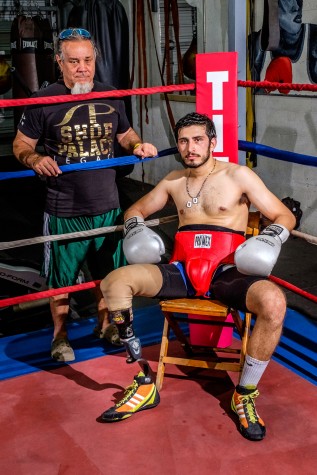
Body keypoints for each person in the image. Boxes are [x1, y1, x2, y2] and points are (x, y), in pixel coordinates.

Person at [98, 112, 296, 441]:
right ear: (178, 145)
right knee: (115, 281)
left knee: (274, 302)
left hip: (226, 271)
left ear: (212, 142)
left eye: (198, 140)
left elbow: (283, 214)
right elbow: (135, 210)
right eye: (184, 141)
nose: (191, 147)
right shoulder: (173, 181)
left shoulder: (239, 176)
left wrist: (272, 236)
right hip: (181, 270)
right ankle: (145, 380)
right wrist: (134, 227)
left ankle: (244, 394)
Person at [12, 28, 157, 363]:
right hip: (64, 208)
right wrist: (34, 159)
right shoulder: (42, 100)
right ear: (59, 63)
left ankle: (105, 324)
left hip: (107, 204)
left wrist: (138, 145)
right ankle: (60, 337)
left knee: (109, 274)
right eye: (73, 61)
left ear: (95, 61)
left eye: (87, 60)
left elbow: (125, 132)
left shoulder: (110, 95)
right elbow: (20, 144)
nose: (81, 68)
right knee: (61, 282)